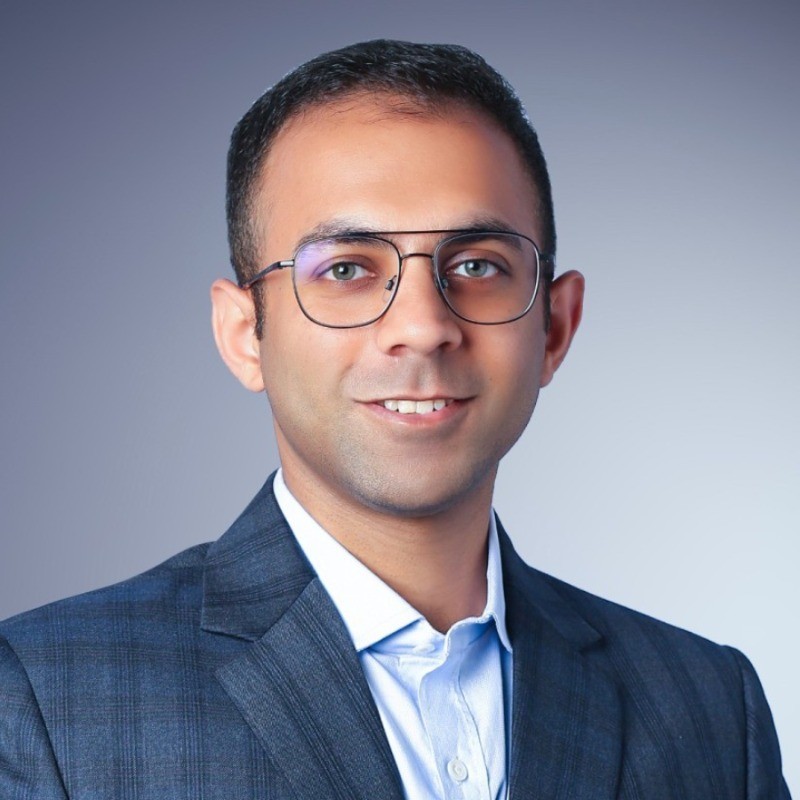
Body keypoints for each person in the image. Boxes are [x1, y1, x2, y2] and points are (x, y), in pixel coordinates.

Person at [0, 39, 790, 800]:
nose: (422, 324)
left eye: (477, 265)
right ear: (245, 335)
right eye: (346, 269)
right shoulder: (45, 696)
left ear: (554, 326)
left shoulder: (708, 705)